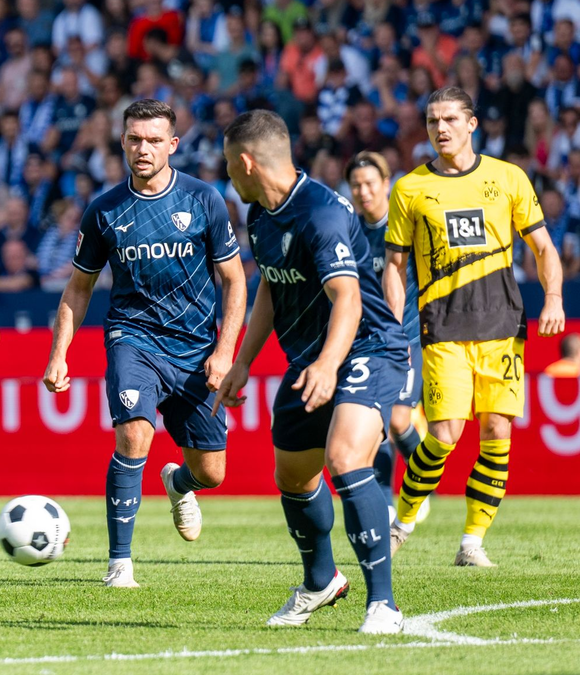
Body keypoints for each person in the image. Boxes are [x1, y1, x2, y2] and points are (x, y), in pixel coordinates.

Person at [42, 99, 248, 589]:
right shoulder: (104, 210)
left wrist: (224, 352)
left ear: (173, 145)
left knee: (212, 472)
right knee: (135, 434)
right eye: (135, 139)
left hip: (196, 349)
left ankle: (179, 484)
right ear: (122, 142)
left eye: (155, 140)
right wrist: (58, 354)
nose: (143, 148)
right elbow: (79, 287)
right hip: (132, 338)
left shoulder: (204, 200)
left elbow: (235, 282)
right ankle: (119, 565)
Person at [218, 110, 407, 634]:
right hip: (312, 360)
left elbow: (346, 297)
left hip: (367, 345)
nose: (227, 174)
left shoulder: (319, 213)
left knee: (345, 460)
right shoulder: (261, 214)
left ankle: (384, 605)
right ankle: (320, 580)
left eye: (230, 164)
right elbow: (272, 290)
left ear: (248, 162)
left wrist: (328, 364)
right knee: (293, 476)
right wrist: (242, 361)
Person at [385, 87, 566, 567]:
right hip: (443, 328)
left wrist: (553, 297)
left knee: (497, 431)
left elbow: (544, 247)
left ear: (472, 124)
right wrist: (392, 327)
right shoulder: (409, 188)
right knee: (443, 434)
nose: (439, 128)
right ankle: (402, 522)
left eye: (448, 119)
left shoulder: (508, 178)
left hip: (503, 326)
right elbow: (394, 265)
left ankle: (472, 541)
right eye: (431, 121)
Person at [346, 151, 429, 524]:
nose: (363, 192)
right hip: (363, 342)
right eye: (356, 185)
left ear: (386, 184)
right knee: (373, 428)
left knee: (397, 420)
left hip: (407, 336)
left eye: (369, 183)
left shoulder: (404, 225)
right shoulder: (349, 230)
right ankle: (386, 506)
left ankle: (420, 479)